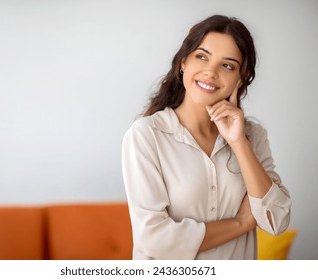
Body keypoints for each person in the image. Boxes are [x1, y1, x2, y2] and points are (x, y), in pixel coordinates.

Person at [121, 15, 291, 260]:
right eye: (202, 57)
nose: (210, 72)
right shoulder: (147, 135)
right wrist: (242, 223)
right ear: (183, 63)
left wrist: (238, 143)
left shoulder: (253, 137)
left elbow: (277, 220)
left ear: (240, 79)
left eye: (227, 65)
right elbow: (153, 240)